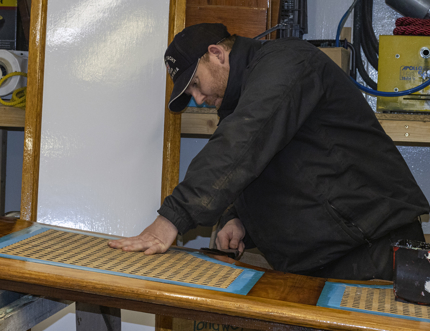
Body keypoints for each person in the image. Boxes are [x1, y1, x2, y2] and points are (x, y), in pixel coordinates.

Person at [109, 23, 430, 280]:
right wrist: (240, 220)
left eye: (194, 83)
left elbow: (244, 142)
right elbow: (269, 164)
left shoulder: (287, 62)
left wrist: (170, 220)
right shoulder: (245, 96)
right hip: (326, 263)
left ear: (217, 53)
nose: (198, 98)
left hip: (372, 254)